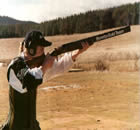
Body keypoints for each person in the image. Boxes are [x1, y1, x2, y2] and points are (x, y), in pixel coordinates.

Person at [0, 30, 89, 130]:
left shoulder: (37, 67)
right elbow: (29, 82)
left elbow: (59, 67)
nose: (44, 52)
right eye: (41, 48)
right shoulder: (15, 66)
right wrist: (45, 65)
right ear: (31, 49)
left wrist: (77, 52)